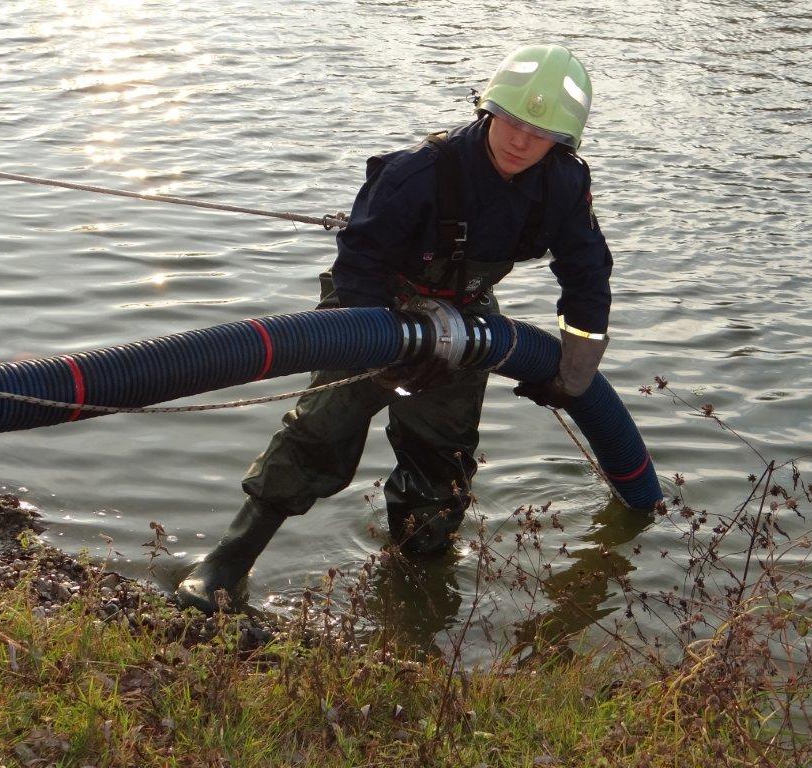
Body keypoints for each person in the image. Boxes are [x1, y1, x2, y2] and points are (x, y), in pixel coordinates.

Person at [177, 43, 613, 613]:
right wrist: (390, 345)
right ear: (489, 110)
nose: (521, 140)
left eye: (541, 131)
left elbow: (587, 275)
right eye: (511, 119)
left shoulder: (563, 186)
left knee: (442, 452)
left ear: (563, 142)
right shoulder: (420, 173)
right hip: (373, 306)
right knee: (320, 432)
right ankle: (228, 562)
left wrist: (572, 376)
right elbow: (358, 263)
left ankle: (417, 582)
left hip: (467, 318)